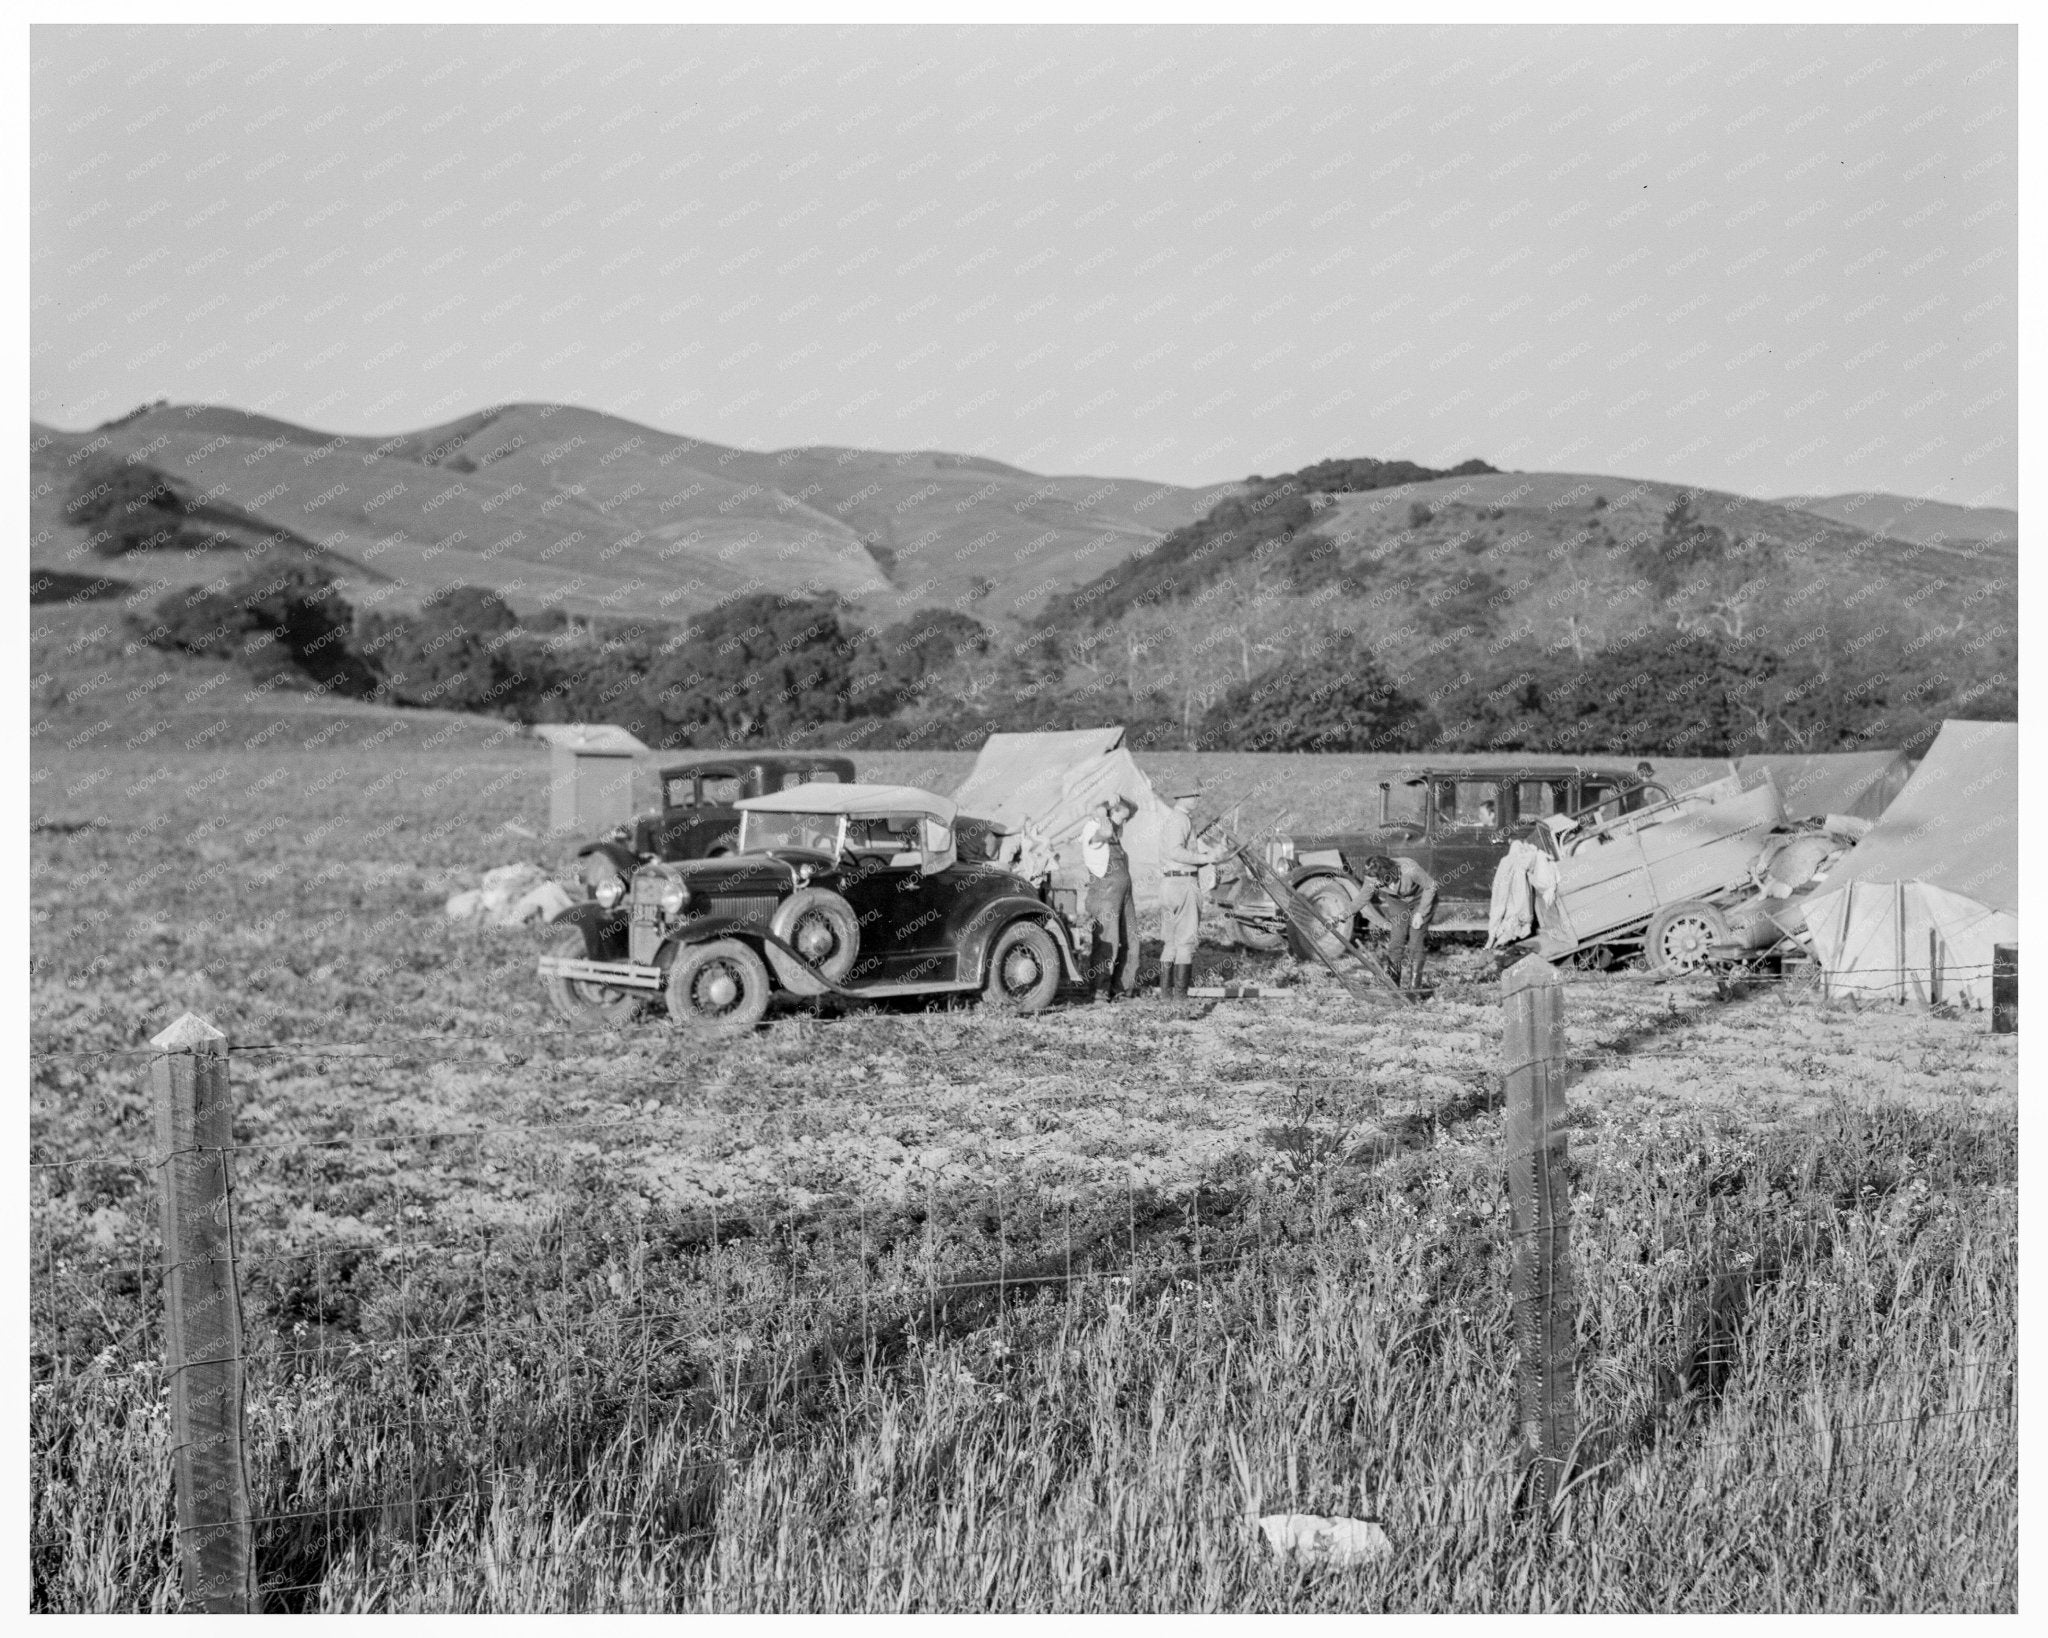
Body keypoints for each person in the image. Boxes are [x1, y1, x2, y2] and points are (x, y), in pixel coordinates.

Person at [1158, 782, 1222, 1001]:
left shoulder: (1175, 819)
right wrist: (1206, 858)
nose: (1198, 799)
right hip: (1183, 884)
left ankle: (1166, 995)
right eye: (1194, 795)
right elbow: (1175, 851)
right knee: (1185, 942)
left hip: (1168, 885)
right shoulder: (1180, 820)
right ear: (1182, 796)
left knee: (1170, 942)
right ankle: (1180, 997)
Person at [1079, 796, 1141, 1002]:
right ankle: (1099, 992)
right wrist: (1102, 811)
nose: (1123, 823)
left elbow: (1132, 808)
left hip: (1123, 895)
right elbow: (1103, 832)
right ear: (1109, 814)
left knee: (1130, 940)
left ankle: (1122, 989)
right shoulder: (1094, 829)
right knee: (1108, 944)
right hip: (1105, 894)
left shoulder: (1115, 835)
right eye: (1120, 819)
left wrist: (1120, 798)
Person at [1352, 852, 1439, 992]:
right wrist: (1340, 916)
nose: (1373, 885)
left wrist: (1420, 913)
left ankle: (1413, 992)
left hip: (1421, 898)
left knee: (1415, 942)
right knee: (1396, 942)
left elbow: (1431, 886)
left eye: (1376, 881)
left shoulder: (1409, 868)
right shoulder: (1372, 875)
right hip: (1398, 902)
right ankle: (1394, 990)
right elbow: (1362, 898)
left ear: (1386, 874)